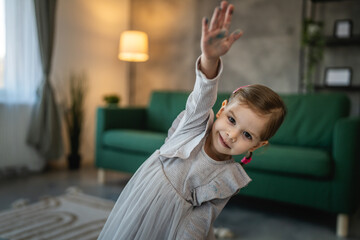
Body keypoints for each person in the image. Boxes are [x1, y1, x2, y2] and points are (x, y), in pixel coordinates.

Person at [98, 1, 286, 239]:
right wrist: (210, 58)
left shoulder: (228, 177)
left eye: (247, 135)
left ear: (257, 146)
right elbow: (202, 94)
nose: (232, 135)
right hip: (142, 199)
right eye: (231, 120)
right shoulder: (195, 125)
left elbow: (200, 219)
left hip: (174, 227)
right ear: (221, 110)